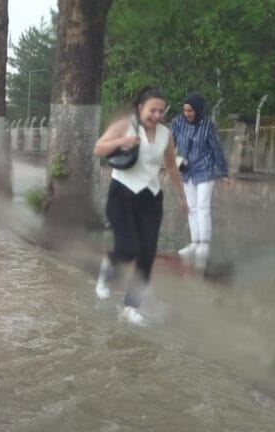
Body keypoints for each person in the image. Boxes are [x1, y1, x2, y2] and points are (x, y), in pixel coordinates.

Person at [92, 86, 188, 325]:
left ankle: (130, 308)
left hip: (150, 198)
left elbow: (171, 165)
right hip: (121, 194)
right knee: (127, 248)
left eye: (161, 111)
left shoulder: (166, 134)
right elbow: (98, 148)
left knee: (147, 254)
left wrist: (181, 195)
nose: (157, 115)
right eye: (152, 110)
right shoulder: (126, 125)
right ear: (140, 108)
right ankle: (108, 269)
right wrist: (123, 141)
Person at [171, 93, 231, 271]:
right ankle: (194, 243)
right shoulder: (177, 123)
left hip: (205, 170)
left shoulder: (208, 126)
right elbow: (169, 144)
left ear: (197, 109)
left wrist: (223, 172)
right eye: (185, 110)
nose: (187, 113)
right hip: (187, 171)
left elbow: (216, 149)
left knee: (203, 207)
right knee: (191, 208)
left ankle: (204, 245)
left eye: (190, 110)